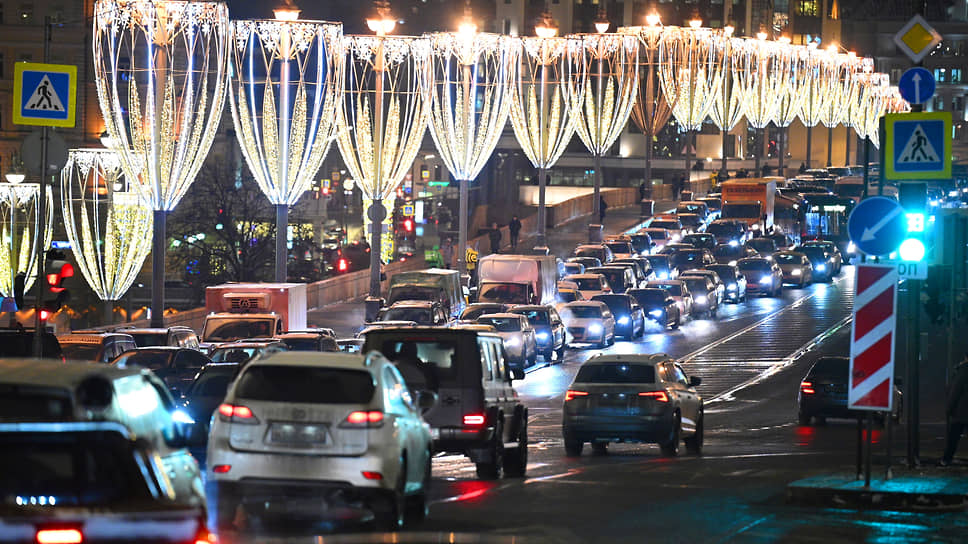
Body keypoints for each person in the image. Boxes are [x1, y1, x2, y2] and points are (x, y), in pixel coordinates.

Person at [941, 354, 968, 466]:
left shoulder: (963, 370)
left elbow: (955, 391)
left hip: (962, 411)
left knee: (953, 437)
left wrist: (949, 409)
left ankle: (946, 460)